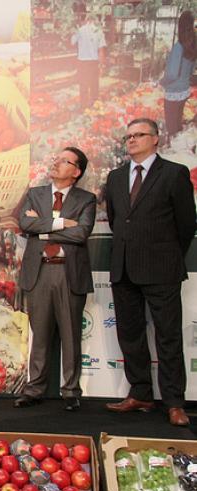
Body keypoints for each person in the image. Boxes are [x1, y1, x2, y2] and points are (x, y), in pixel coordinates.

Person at [104, 118, 197, 426]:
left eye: (139, 135)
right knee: (130, 334)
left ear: (156, 139)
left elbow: (186, 223)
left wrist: (166, 253)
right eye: (128, 136)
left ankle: (174, 402)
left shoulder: (174, 173)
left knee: (168, 336)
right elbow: (117, 220)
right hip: (124, 268)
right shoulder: (116, 177)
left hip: (161, 268)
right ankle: (140, 393)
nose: (132, 140)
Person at [15, 148, 96, 411]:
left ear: (76, 171)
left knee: (71, 334)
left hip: (68, 272)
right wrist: (62, 224)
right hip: (39, 271)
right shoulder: (35, 194)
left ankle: (70, 391)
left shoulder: (86, 199)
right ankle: (34, 389)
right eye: (56, 159)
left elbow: (81, 233)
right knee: (39, 334)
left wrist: (43, 229)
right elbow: (26, 225)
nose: (56, 163)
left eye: (64, 161)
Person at [160, 11, 197, 139]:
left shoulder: (178, 47)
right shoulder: (193, 46)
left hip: (173, 92)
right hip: (184, 91)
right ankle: (179, 145)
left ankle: (174, 147)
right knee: (177, 125)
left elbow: (172, 74)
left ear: (180, 27)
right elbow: (191, 70)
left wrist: (161, 82)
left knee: (171, 129)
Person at [71, 11, 106, 109]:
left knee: (83, 85)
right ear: (95, 20)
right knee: (94, 85)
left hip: (82, 63)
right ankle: (95, 107)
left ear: (86, 20)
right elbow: (101, 51)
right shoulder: (99, 32)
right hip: (94, 63)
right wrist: (102, 66)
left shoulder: (80, 30)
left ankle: (84, 107)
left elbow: (72, 42)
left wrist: (74, 32)